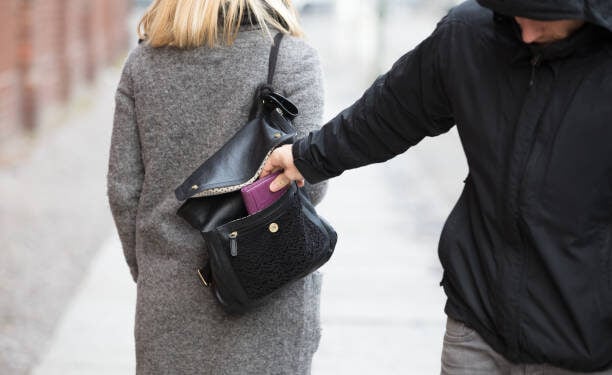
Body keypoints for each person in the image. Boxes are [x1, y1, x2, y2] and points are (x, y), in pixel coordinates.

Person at [263, 0, 612, 373]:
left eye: (543, 18)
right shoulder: (469, 35)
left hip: (583, 345)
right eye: (514, 13)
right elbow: (390, 113)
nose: (525, 32)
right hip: (476, 325)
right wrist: (308, 156)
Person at [107, 0, 327, 373]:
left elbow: (123, 190)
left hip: (169, 297)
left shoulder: (143, 65)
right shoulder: (292, 58)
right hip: (267, 291)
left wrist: (151, 272)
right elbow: (311, 186)